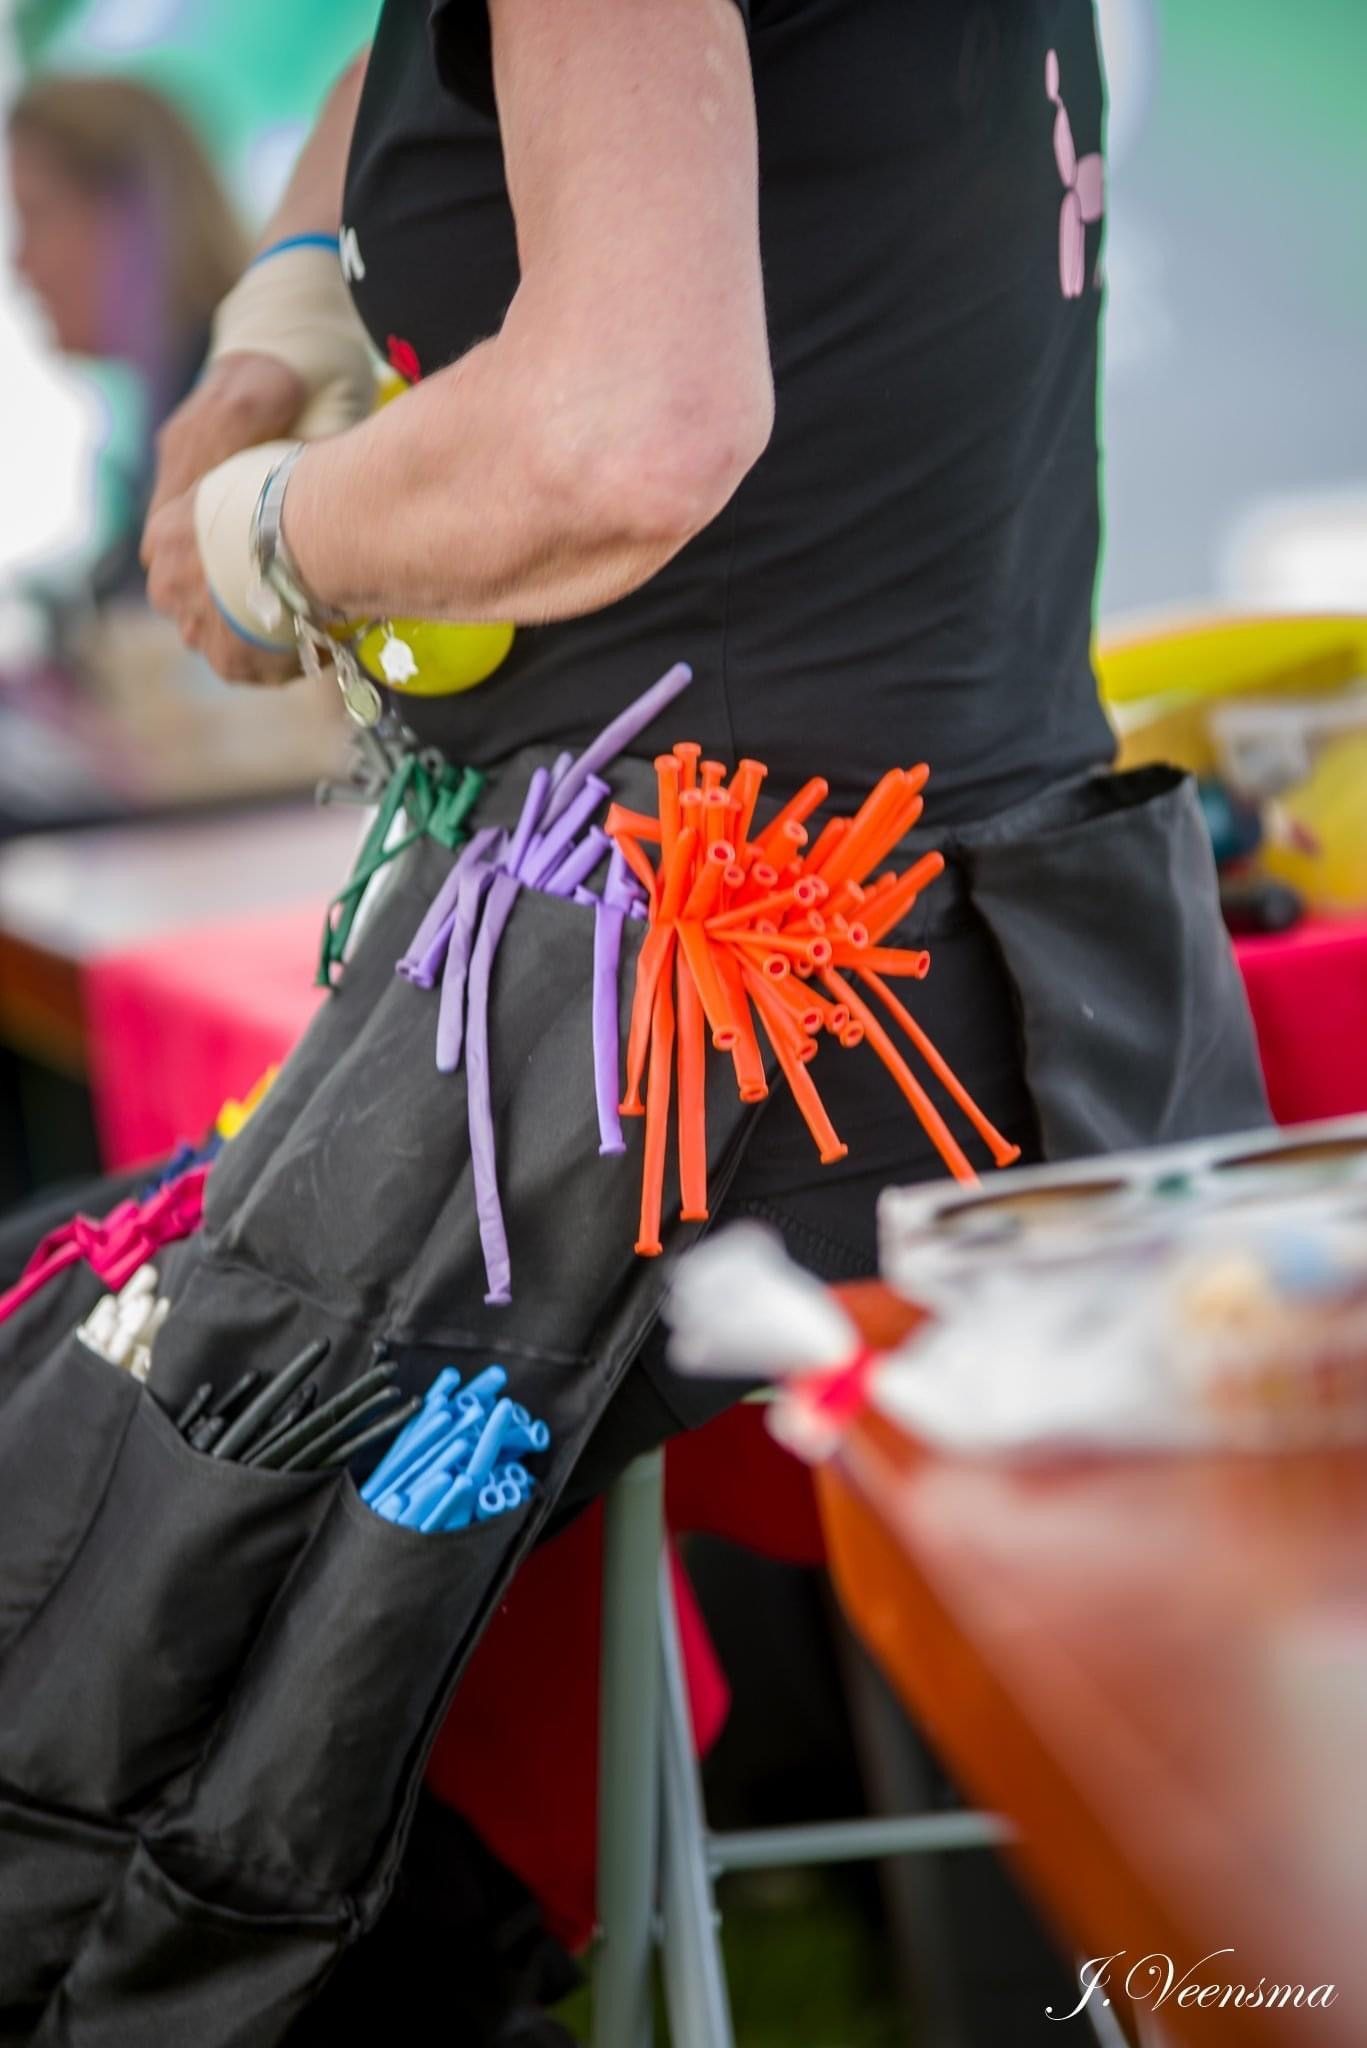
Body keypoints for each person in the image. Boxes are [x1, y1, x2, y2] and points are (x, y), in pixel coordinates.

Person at [109, 1, 1274, 2037]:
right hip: (1040, 982)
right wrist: (288, 298)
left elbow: (624, 429)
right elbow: (417, 67)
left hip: (719, 1034)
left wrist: (266, 533)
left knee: (120, 1586)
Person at [7, 72, 248, 595]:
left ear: (135, 210)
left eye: (37, 216)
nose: (19, 261)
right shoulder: (173, 406)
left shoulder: (243, 392)